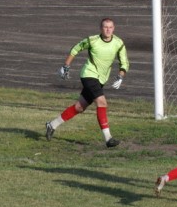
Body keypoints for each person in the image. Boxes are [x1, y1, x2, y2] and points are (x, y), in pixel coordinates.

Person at [46, 18, 129, 147]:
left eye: (110, 27)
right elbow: (76, 49)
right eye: (105, 27)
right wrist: (66, 66)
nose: (108, 30)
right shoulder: (92, 40)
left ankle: (52, 125)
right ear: (101, 28)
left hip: (101, 79)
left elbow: (124, 62)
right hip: (88, 75)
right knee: (102, 102)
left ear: (114, 28)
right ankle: (108, 139)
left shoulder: (119, 43)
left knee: (79, 107)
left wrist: (120, 76)